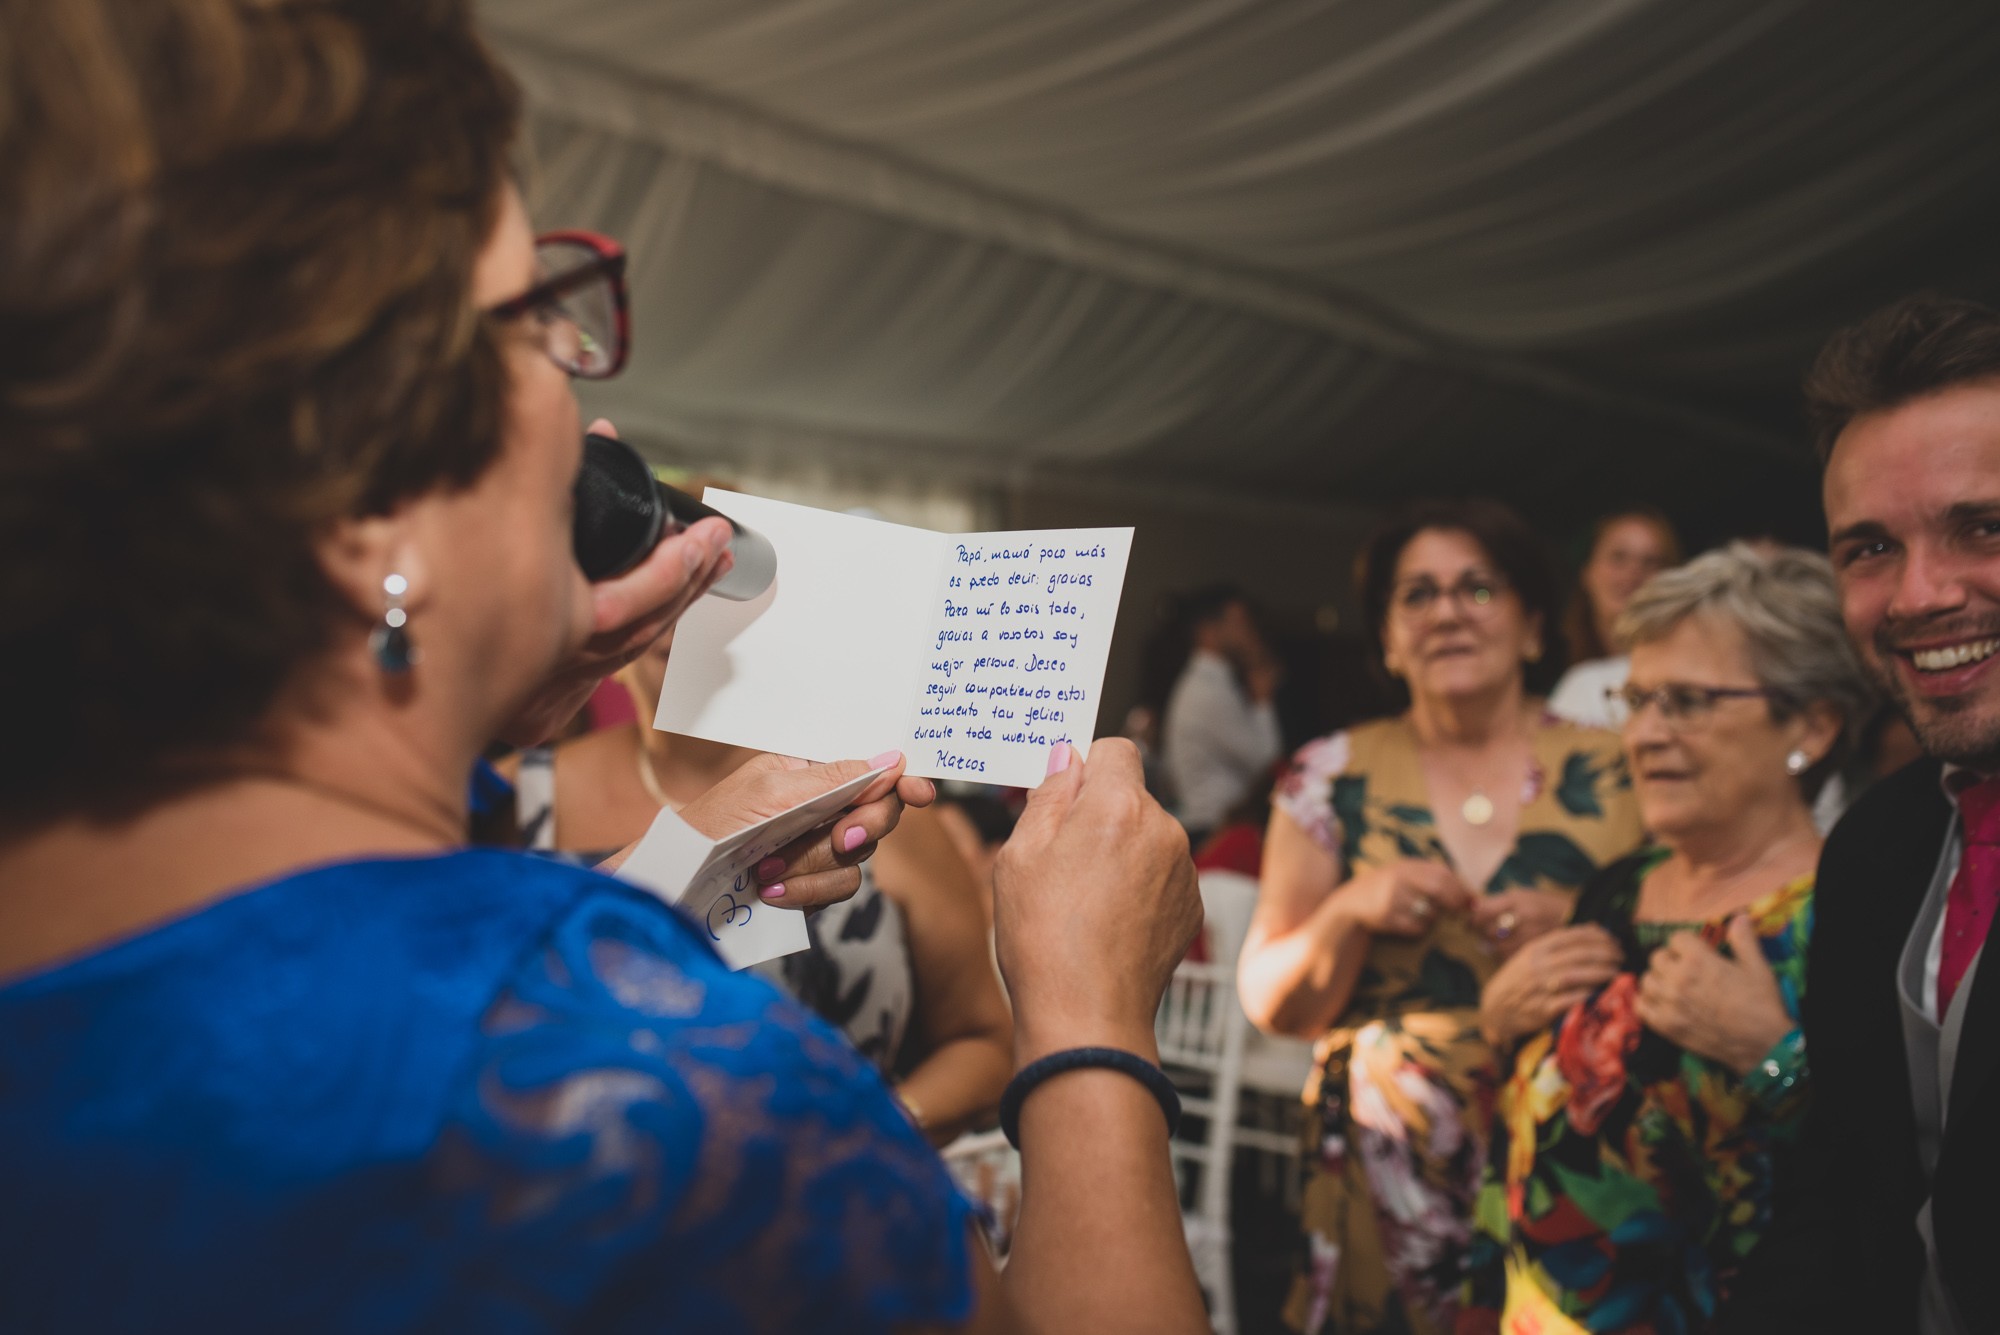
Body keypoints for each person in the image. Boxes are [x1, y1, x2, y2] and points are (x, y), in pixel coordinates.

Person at [0, 4, 1210, 1330]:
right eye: (536, 321)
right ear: (371, 500)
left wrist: (582, 794)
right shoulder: (664, 1100)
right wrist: (1092, 1016)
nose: (588, 410)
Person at [1238, 499, 1645, 1335]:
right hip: (1392, 1175)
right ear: (1388, 638)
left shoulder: (1623, 764)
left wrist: (1585, 926)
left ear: (1534, 624)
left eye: (1478, 589)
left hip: (1586, 1145)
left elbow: (1689, 936)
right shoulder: (1327, 774)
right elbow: (1274, 1006)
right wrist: (1350, 910)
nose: (1448, 611)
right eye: (1416, 595)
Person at [1461, 545, 1871, 1333]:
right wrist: (1500, 1022)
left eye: (1686, 700)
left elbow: (1899, 1179)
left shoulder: (1849, 909)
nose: (1643, 734)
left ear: (1811, 726)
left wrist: (1778, 1060)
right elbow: (1537, 1130)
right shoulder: (1618, 887)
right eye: (1638, 698)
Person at [1721, 295, 2000, 1335]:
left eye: (1983, 526)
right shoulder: (1877, 844)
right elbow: (1845, 1198)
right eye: (1868, 548)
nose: (1916, 595)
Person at [507, 627, 1013, 1145]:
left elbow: (985, 1041)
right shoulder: (504, 800)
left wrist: (880, 1135)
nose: (692, 610)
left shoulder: (869, 797)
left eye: (727, 583)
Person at [1163, 585, 1285, 839]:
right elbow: (1265, 762)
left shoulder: (1217, 683)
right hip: (1211, 830)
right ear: (1208, 630)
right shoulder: (1207, 690)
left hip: (1218, 825)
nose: (1249, 631)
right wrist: (1263, 700)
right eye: (1239, 621)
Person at [1547, 511, 1683, 728]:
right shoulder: (1566, 676)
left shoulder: (1686, 675)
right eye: (1618, 558)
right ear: (1587, 571)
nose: (1633, 572)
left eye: (1651, 563)